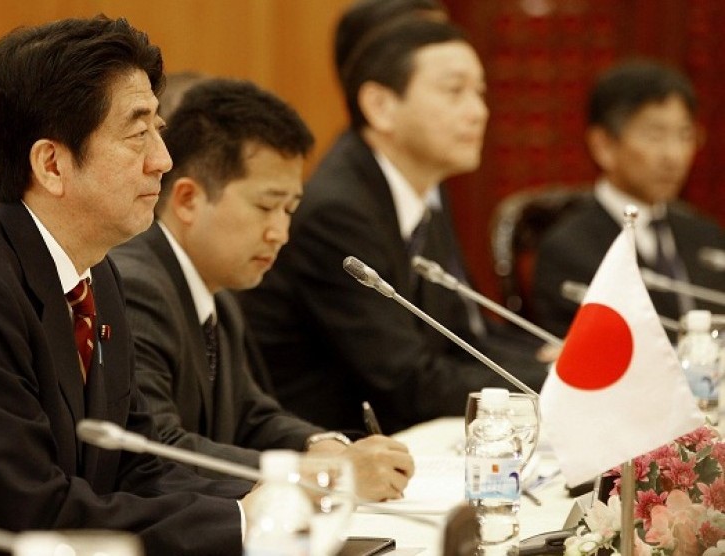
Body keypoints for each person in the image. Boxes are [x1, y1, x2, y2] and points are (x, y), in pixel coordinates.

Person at [0, 16, 257, 555]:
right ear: (51, 164)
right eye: (138, 134)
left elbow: (134, 459)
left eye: (158, 128)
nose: (162, 159)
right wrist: (237, 524)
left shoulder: (92, 269)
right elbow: (31, 511)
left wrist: (271, 498)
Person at [237, 0, 549, 435]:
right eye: (454, 91)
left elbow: (460, 336)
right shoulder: (339, 211)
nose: (479, 111)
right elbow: (408, 382)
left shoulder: (421, 189)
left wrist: (551, 360)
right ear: (381, 105)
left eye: (479, 92)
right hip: (334, 453)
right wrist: (561, 384)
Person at [110, 77, 414, 502]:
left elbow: (250, 415)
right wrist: (322, 476)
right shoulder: (136, 286)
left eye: (290, 209)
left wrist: (321, 446)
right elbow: (158, 449)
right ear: (187, 200)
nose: (281, 233)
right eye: (266, 206)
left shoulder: (217, 291)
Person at [533, 59, 725, 339]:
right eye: (655, 135)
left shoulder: (707, 236)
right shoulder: (568, 250)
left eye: (685, 135)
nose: (674, 155)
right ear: (604, 146)